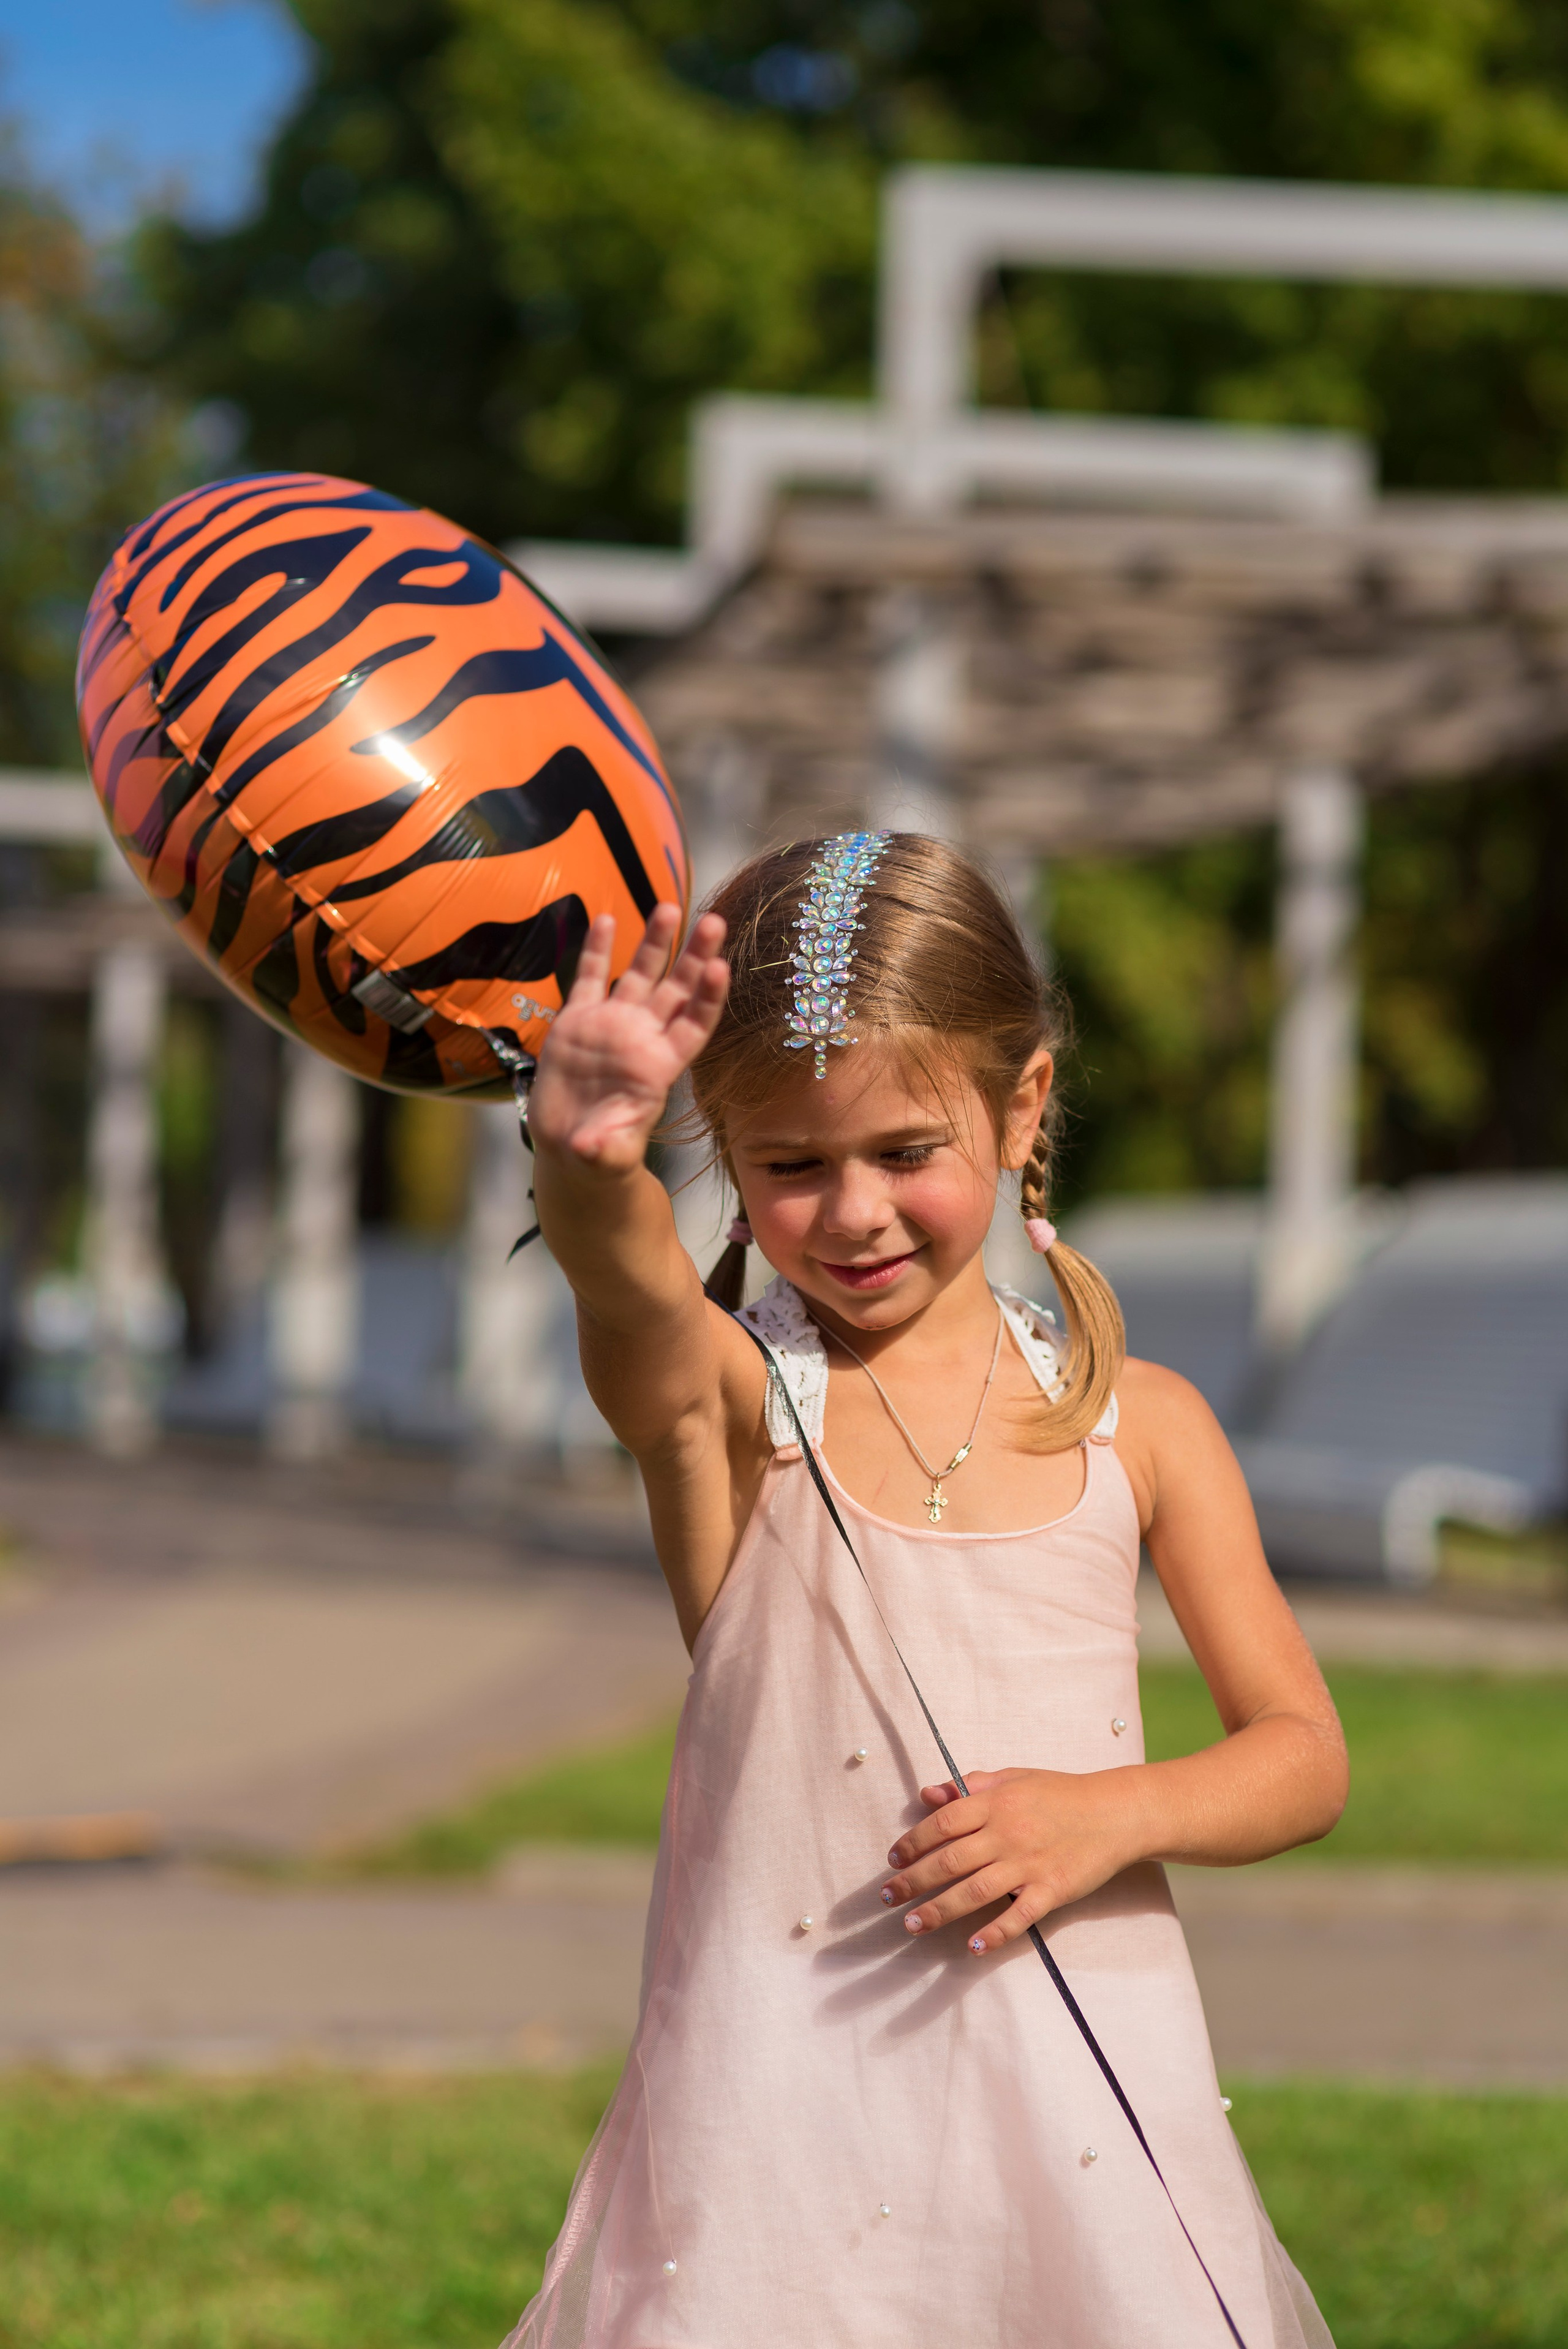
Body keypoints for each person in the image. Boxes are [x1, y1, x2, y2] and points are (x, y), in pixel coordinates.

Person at [503, 831, 1345, 2349]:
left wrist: (1111, 1811)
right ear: (718, 1142)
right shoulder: (742, 1408)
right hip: (781, 2116)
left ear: (1020, 1106)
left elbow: (1301, 1756)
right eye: (789, 1165)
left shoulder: (1140, 1424)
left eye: (903, 1151)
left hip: (1087, 2103)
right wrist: (584, 1159)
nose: (853, 1212)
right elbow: (628, 1297)